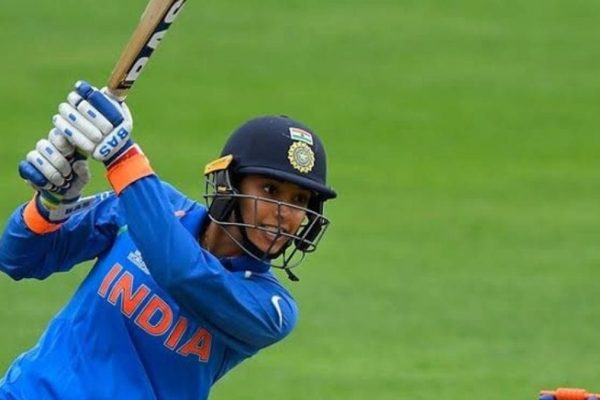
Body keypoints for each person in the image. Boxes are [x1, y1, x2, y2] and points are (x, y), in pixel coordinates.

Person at [0, 81, 337, 399]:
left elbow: (182, 272)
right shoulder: (151, 203)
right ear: (229, 184)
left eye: (300, 200)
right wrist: (50, 206)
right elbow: (17, 258)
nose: (284, 213)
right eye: (270, 190)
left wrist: (123, 157)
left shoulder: (271, 308)